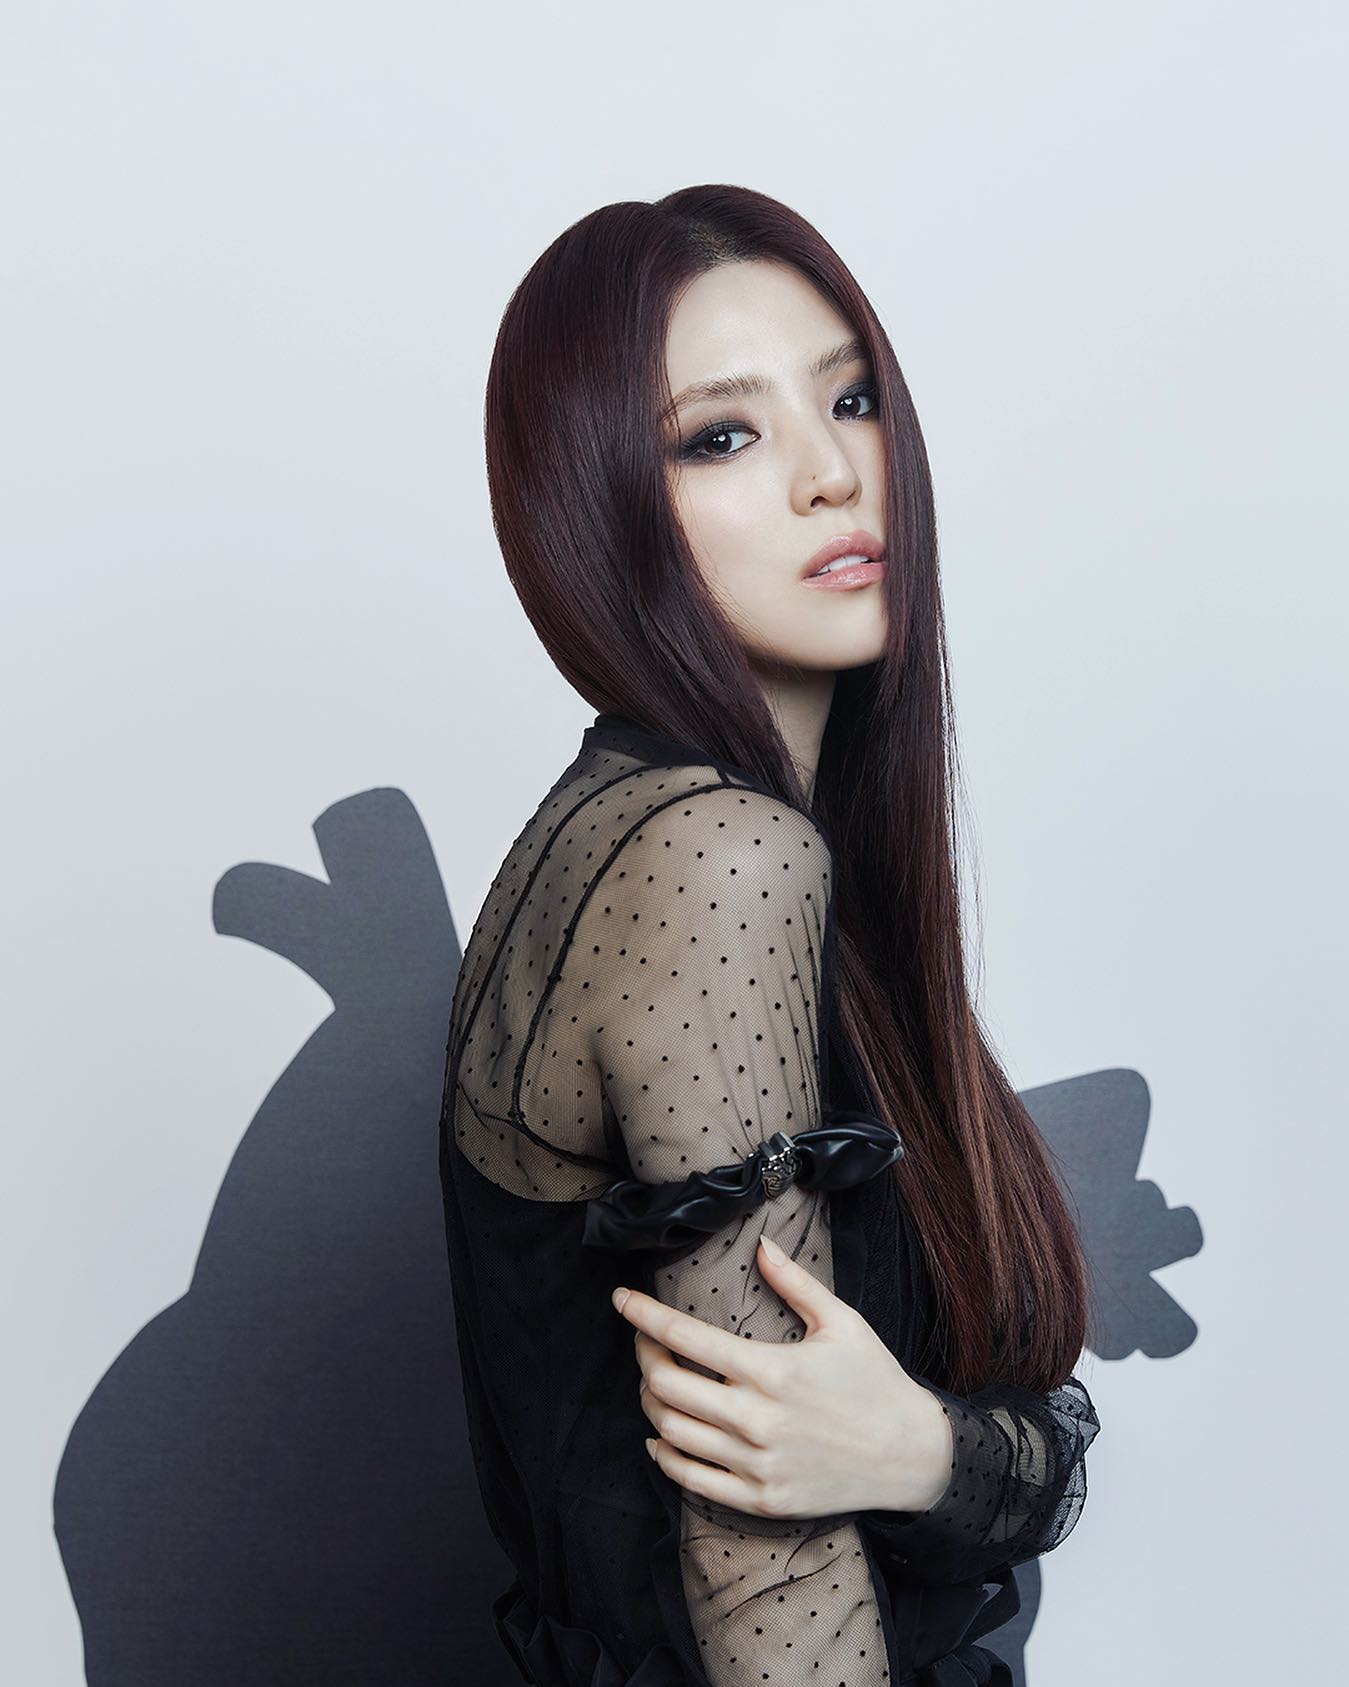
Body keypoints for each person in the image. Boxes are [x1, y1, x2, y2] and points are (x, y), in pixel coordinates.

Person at [438, 183, 1101, 1687]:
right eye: (721, 436)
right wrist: (932, 1455)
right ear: (595, 501)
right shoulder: (715, 861)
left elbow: (956, 1443)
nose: (830, 474)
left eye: (850, 399)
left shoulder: (732, 848)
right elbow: (764, 1563)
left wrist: (916, 1448)